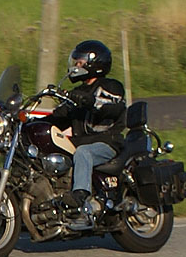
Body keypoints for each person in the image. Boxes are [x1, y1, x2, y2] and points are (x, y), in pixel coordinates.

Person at [44, 40, 127, 218]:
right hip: (80, 142)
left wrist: (89, 101)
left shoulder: (110, 86)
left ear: (94, 63)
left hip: (107, 142)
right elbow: (58, 118)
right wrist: (29, 122)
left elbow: (112, 108)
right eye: (75, 62)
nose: (75, 66)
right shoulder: (78, 93)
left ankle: (80, 196)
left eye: (80, 62)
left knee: (83, 152)